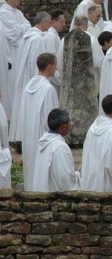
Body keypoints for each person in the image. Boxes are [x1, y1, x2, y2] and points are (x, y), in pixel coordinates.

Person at [17, 53, 59, 191]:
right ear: (49, 66)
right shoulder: (48, 89)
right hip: (43, 136)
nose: (56, 69)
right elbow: (52, 118)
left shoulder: (28, 86)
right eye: (55, 65)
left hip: (29, 134)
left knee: (31, 169)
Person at [9, 11, 49, 141]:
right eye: (49, 22)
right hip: (32, 78)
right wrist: (38, 80)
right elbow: (36, 62)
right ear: (43, 23)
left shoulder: (27, 36)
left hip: (23, 76)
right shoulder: (38, 39)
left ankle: (20, 135)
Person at [31, 108, 80, 192]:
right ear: (63, 126)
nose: (70, 125)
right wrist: (79, 176)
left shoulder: (43, 143)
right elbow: (65, 180)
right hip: (54, 198)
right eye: (69, 122)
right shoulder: (60, 147)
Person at [0, 0, 31, 116]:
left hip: (19, 49)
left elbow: (28, 26)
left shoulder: (18, 13)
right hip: (11, 51)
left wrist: (21, 28)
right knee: (11, 82)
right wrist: (21, 28)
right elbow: (12, 32)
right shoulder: (4, 12)